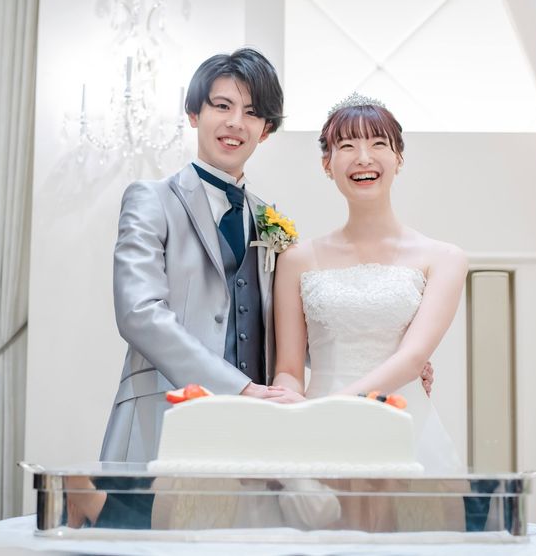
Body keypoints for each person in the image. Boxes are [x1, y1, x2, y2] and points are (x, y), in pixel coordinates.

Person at [100, 47, 285, 463]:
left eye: (252, 112)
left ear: (265, 130)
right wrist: (237, 388)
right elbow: (139, 313)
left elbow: (289, 324)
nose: (235, 122)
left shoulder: (270, 219)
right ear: (194, 113)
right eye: (222, 106)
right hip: (162, 418)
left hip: (253, 436)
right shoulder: (151, 200)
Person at [271, 94, 466, 475]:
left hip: (403, 427)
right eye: (347, 146)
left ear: (399, 158)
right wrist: (291, 411)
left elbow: (412, 359)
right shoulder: (295, 260)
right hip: (317, 432)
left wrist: (329, 407)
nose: (363, 157)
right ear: (327, 164)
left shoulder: (444, 259)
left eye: (378, 143)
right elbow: (289, 369)